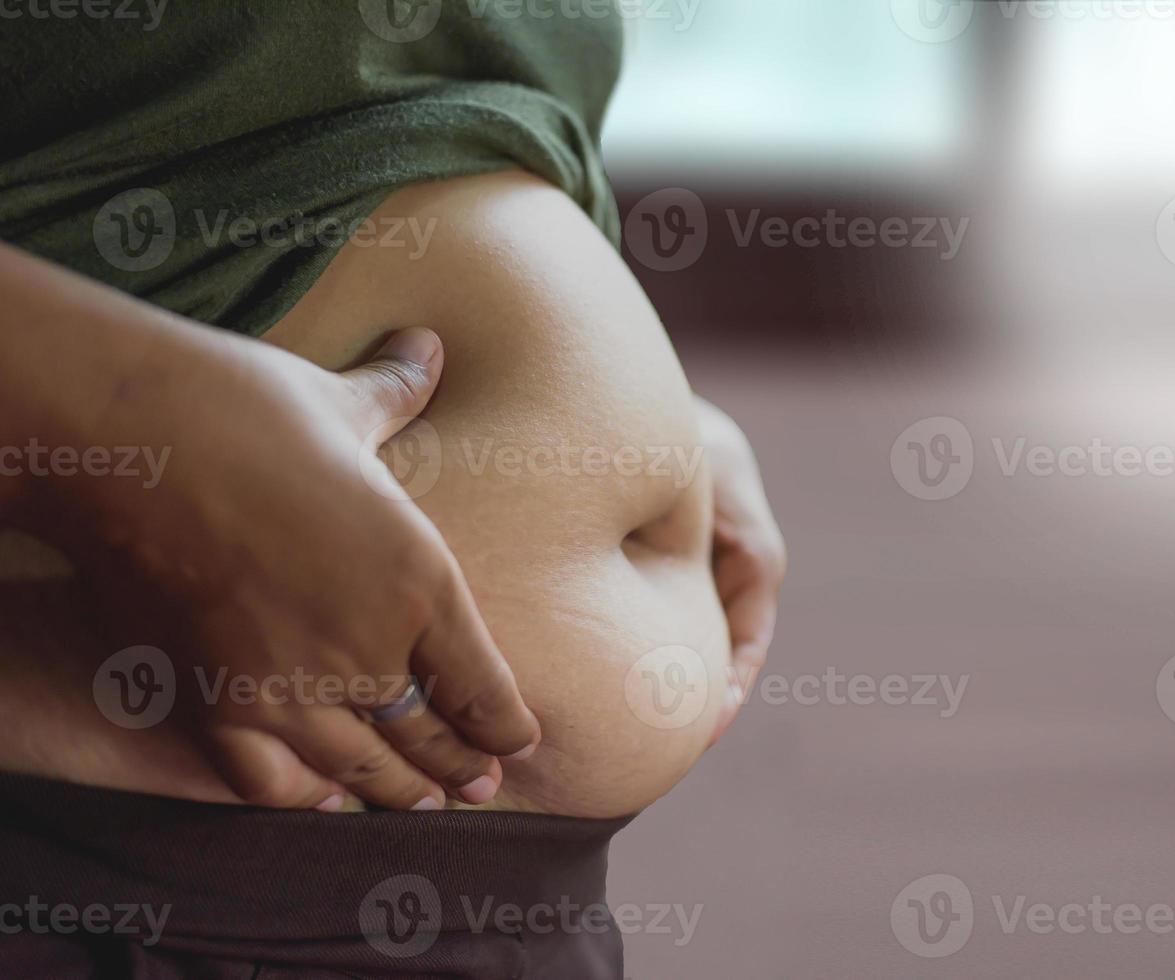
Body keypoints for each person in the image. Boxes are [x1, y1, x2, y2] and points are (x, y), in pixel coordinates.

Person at [0, 3, 784, 976]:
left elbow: (408, 127)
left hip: (515, 896)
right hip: (121, 858)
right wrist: (124, 423)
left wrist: (656, 408)